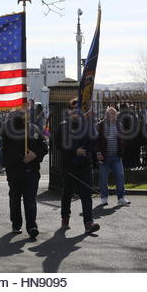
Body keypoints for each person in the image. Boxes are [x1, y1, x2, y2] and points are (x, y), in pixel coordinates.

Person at [55, 99, 100, 233]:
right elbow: (58, 145)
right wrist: (74, 151)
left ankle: (88, 223)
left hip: (84, 166)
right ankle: (65, 218)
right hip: (69, 167)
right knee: (67, 194)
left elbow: (94, 139)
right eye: (74, 109)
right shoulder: (63, 126)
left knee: (86, 195)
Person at [2, 109, 48, 239]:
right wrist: (19, 158)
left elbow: (44, 147)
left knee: (30, 200)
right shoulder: (8, 130)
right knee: (15, 198)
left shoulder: (34, 129)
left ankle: (32, 226)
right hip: (15, 171)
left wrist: (34, 154)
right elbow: (5, 151)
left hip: (31, 171)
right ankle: (16, 224)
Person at [96, 107, 130, 206]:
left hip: (116, 157)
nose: (112, 116)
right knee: (103, 178)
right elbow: (95, 141)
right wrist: (98, 153)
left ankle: (121, 198)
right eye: (110, 114)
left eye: (114, 114)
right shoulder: (100, 125)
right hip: (104, 157)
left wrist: (122, 148)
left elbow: (123, 139)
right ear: (106, 114)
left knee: (120, 177)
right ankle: (104, 198)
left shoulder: (119, 125)